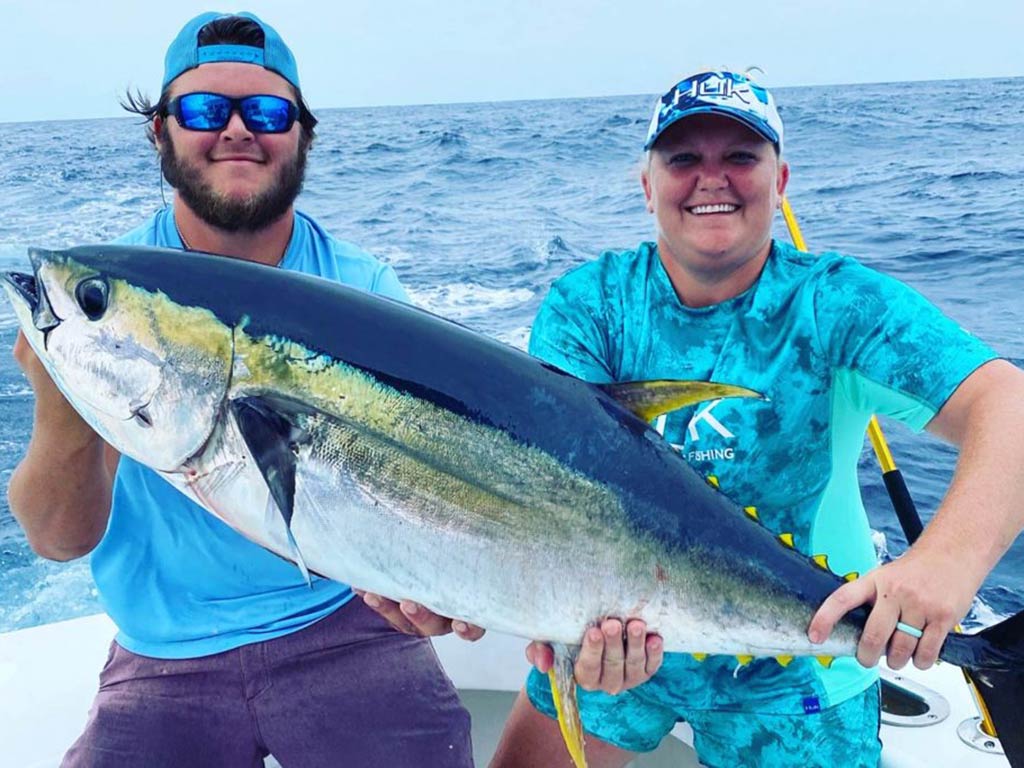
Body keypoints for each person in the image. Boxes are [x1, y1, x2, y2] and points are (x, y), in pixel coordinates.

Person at [478, 69, 1024, 767]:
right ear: (647, 185)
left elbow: (1008, 403)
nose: (712, 178)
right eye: (683, 159)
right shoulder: (592, 306)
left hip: (801, 667)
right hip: (616, 640)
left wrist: (947, 562)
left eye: (740, 156)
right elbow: (548, 484)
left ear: (781, 180)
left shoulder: (836, 305)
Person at [7, 12, 473, 768]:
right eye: (201, 110)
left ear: (301, 135)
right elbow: (59, 539)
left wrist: (433, 586)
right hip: (163, 655)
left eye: (265, 111)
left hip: (348, 623)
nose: (234, 129)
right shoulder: (117, 305)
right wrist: (66, 393)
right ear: (159, 132)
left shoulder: (364, 290)